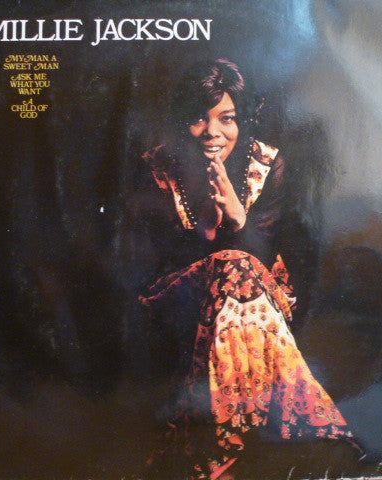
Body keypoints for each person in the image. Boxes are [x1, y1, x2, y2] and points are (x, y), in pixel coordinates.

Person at [123, 59, 354, 480]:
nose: (212, 132)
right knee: (233, 266)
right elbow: (153, 260)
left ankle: (216, 446)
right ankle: (292, 436)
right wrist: (208, 230)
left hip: (258, 292)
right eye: (198, 118)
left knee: (238, 268)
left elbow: (263, 257)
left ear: (241, 119)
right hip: (175, 293)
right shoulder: (156, 166)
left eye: (226, 119)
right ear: (182, 120)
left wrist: (238, 217)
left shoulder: (267, 164)